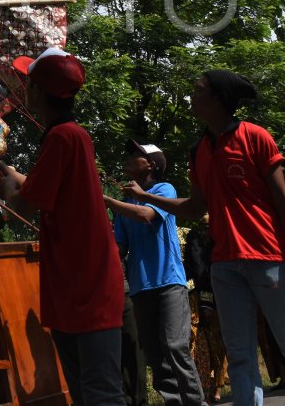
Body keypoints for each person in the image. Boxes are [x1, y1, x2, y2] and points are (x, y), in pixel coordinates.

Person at [122, 69, 285, 406]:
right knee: (240, 353)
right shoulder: (198, 150)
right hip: (225, 266)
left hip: (268, 258)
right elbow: (192, 207)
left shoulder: (256, 136)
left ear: (217, 98)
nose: (192, 93)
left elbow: (284, 200)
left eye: (198, 89)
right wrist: (147, 197)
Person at [0, 47, 125, 405]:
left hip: (86, 286)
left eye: (28, 82)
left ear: (38, 92)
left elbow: (22, 202)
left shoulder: (64, 138)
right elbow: (35, 187)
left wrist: (3, 180)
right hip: (74, 284)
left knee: (100, 394)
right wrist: (0, 168)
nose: (21, 87)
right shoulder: (67, 137)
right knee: (87, 392)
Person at [104, 140, 203, 406]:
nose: (129, 158)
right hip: (140, 287)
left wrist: (107, 200)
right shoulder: (125, 203)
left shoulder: (164, 189)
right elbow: (119, 248)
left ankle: (195, 403)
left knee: (175, 347)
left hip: (169, 283)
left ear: (151, 164)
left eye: (136, 154)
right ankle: (175, 402)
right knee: (155, 355)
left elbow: (147, 215)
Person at [184, 216, 228, 402]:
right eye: (202, 226)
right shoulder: (193, 241)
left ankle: (216, 384)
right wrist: (206, 302)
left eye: (208, 226)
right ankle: (204, 386)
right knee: (202, 343)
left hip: (224, 294)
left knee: (220, 343)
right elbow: (199, 271)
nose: (205, 230)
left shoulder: (221, 239)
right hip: (201, 297)